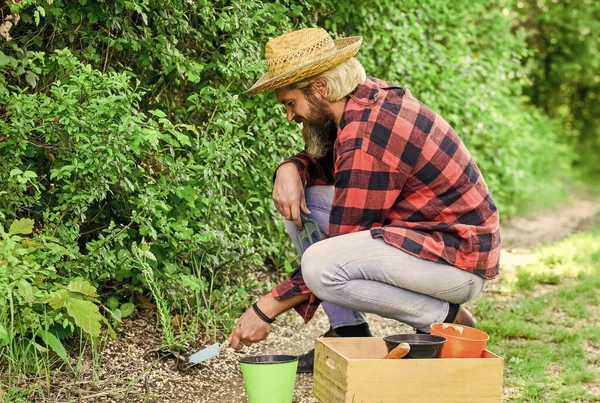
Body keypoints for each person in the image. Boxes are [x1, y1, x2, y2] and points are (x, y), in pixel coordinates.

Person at [229, 28, 501, 373]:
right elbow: (326, 164)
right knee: (305, 200)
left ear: (320, 89)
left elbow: (339, 244)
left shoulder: (370, 135)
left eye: (290, 103)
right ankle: (348, 331)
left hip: (457, 262)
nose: (289, 116)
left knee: (320, 267)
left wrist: (264, 309)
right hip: (431, 241)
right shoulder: (362, 102)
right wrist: (290, 168)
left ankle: (443, 319)